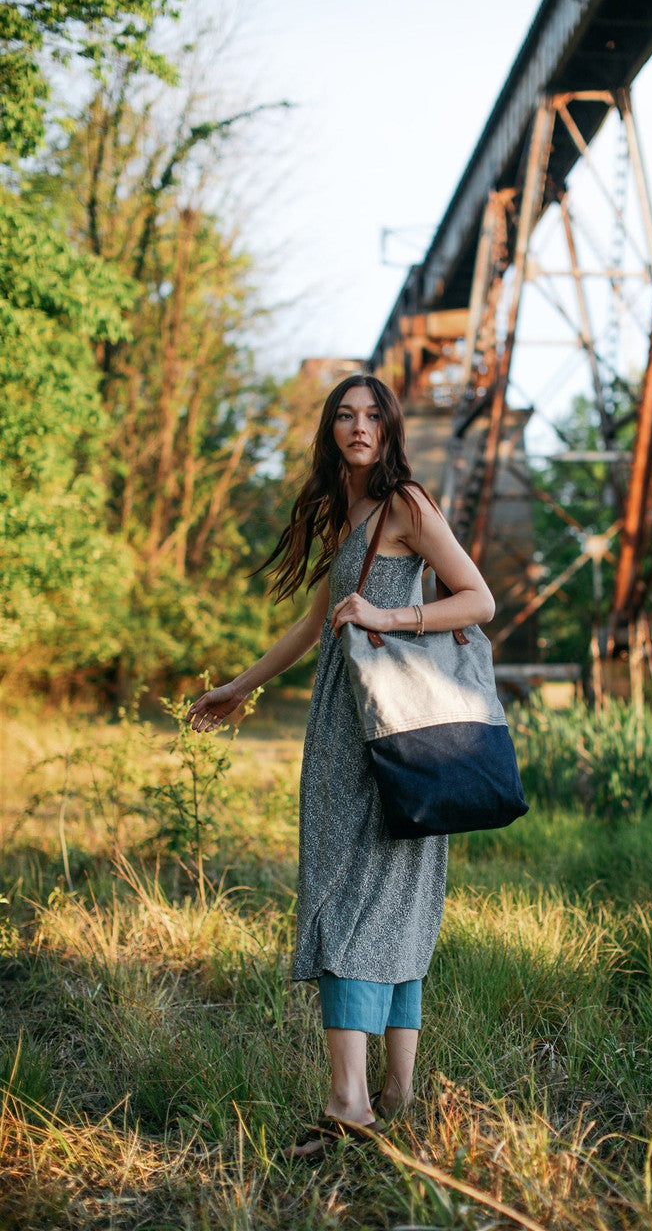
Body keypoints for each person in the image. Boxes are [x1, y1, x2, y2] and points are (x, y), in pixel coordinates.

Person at [185, 373, 495, 1158]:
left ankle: (349, 1107)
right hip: (344, 721)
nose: (358, 428)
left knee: (357, 896)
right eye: (344, 417)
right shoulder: (347, 513)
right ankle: (394, 1091)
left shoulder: (406, 505)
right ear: (331, 432)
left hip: (389, 723)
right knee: (374, 895)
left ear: (390, 430)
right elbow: (315, 624)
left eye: (371, 417)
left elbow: (477, 600)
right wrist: (239, 686)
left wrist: (391, 616)